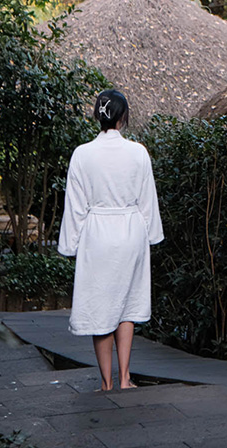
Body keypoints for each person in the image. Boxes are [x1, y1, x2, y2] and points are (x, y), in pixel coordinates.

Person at [58, 89, 164, 391]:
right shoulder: (138, 152)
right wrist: (151, 235)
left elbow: (75, 205)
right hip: (131, 232)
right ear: (124, 116)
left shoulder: (82, 154)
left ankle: (106, 382)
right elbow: (148, 201)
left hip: (97, 235)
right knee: (127, 305)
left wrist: (71, 243)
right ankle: (125, 378)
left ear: (97, 115)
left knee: (100, 304)